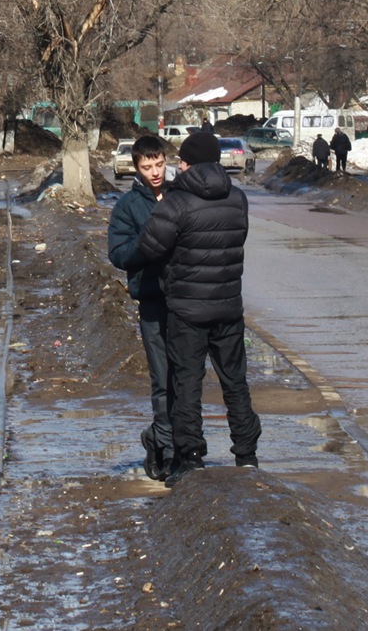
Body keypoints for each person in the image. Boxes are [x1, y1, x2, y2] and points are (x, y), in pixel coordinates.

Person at [136, 128, 262, 484]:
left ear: (187, 163)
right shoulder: (238, 199)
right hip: (228, 308)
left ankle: (191, 457)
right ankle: (247, 454)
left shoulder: (177, 201)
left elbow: (149, 247)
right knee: (235, 382)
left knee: (187, 383)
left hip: (187, 311)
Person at [107, 134, 176, 481]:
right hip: (152, 301)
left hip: (186, 302)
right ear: (136, 168)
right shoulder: (128, 207)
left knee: (187, 377)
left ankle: (185, 443)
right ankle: (163, 445)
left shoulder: (181, 196)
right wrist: (144, 246)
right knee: (163, 378)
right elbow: (118, 253)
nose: (155, 172)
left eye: (159, 164)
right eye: (147, 167)